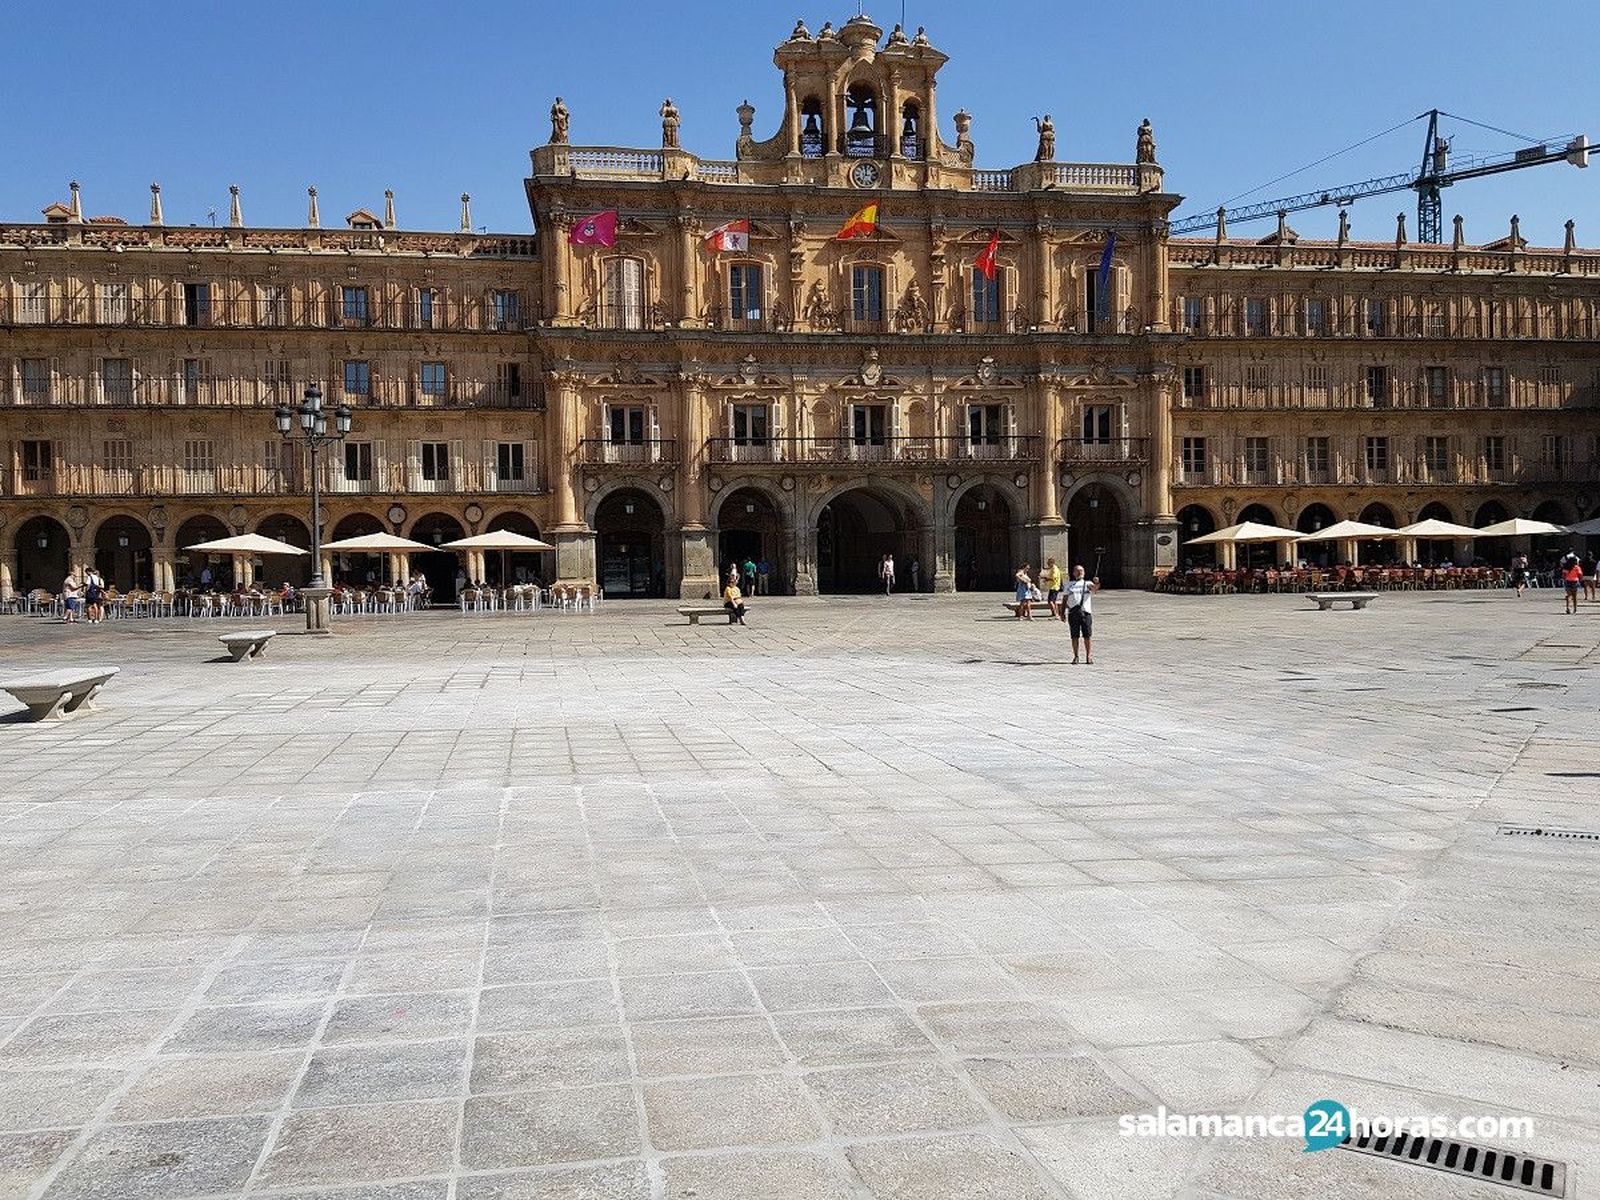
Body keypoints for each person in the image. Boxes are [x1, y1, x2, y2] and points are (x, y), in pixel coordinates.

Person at [1063, 564, 1100, 664]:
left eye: (1081, 571)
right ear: (1073, 573)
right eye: (1077, 571)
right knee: (1074, 636)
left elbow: (1095, 589)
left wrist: (1097, 583)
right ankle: (1076, 656)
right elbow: (1065, 599)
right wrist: (1062, 613)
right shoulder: (1068, 585)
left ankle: (1089, 656)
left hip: (1085, 613)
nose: (1080, 572)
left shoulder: (1088, 583)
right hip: (1073, 613)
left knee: (1087, 635)